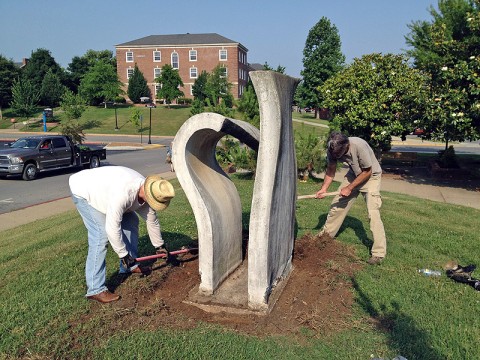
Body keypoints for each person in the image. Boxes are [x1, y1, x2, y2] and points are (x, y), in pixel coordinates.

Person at [69, 166, 175, 303]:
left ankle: (129, 267)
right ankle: (95, 289)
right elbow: (112, 227)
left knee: (131, 221)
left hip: (107, 192)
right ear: (148, 194)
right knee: (100, 235)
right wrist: (123, 255)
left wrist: (160, 246)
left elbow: (152, 220)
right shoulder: (124, 194)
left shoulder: (148, 191)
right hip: (84, 191)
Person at [316, 131, 387, 265]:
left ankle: (378, 253)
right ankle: (324, 239)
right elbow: (331, 170)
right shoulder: (332, 148)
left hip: (371, 177)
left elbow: (367, 171)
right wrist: (324, 188)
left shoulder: (359, 146)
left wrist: (349, 188)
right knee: (336, 206)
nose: (337, 157)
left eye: (340, 154)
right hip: (353, 175)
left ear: (347, 145)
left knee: (373, 213)